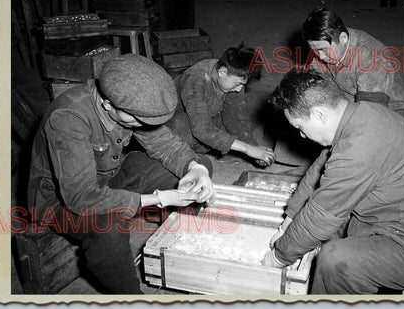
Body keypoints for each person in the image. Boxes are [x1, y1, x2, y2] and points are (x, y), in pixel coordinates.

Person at [263, 71, 404, 294]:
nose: (302, 136)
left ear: (319, 114)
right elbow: (320, 169)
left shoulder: (359, 149)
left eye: (299, 127)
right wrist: (290, 218)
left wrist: (277, 257)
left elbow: (319, 217)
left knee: (335, 260)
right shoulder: (362, 114)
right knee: (325, 226)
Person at [27, 54, 214, 294]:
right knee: (109, 226)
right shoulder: (68, 118)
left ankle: (182, 247)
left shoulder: (126, 104)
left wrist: (195, 169)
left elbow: (167, 145)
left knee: (201, 163)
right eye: (138, 119)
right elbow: (81, 197)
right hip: (59, 201)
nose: (143, 124)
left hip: (104, 180)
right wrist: (162, 198)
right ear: (107, 104)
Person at [166, 44, 276, 167]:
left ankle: (226, 150)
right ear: (222, 72)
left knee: (248, 115)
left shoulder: (231, 75)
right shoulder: (195, 78)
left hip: (205, 118)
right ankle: (182, 159)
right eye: (237, 84)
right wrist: (247, 149)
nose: (239, 89)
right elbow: (201, 129)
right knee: (183, 124)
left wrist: (254, 148)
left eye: (243, 84)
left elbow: (236, 119)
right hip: (172, 127)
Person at [302, 7, 404, 124]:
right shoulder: (327, 45)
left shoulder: (372, 58)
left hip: (391, 114)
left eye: (324, 50)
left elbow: (370, 113)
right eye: (315, 51)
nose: (320, 56)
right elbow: (314, 80)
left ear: (343, 38)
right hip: (352, 102)